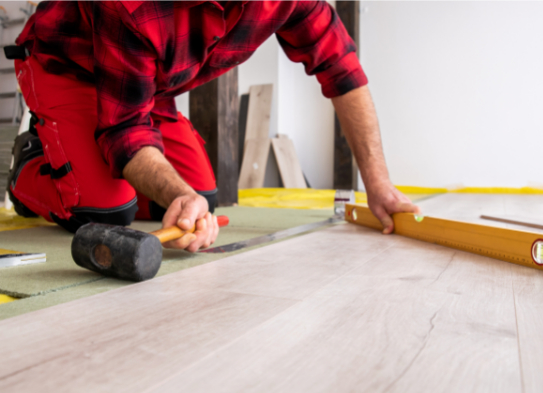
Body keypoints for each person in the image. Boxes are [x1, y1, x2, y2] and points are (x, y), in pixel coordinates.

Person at [6, 1, 418, 252]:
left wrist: (378, 185)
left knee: (201, 197)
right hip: (67, 67)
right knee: (105, 212)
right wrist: (175, 192)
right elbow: (126, 130)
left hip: (145, 85)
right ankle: (29, 167)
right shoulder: (132, 4)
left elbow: (341, 69)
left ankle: (92, 169)